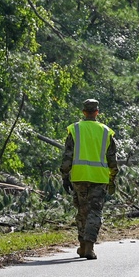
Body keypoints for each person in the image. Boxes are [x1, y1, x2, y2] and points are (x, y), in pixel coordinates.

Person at [60, 99, 118, 260]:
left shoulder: (75, 129)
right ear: (97, 112)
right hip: (99, 179)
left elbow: (67, 157)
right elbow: (112, 160)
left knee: (82, 211)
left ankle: (82, 245)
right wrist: (112, 179)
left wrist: (65, 176)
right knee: (94, 212)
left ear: (84, 112)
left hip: (79, 177)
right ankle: (89, 247)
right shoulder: (106, 132)